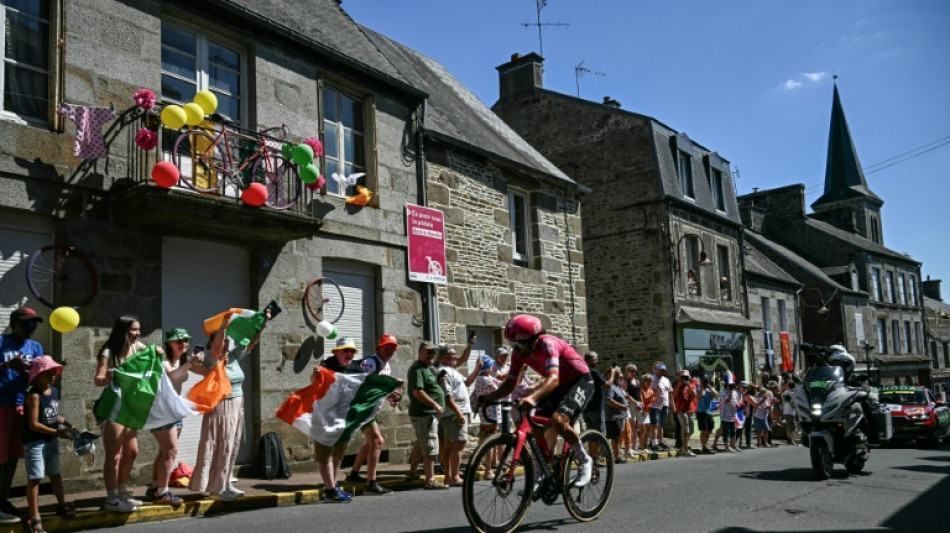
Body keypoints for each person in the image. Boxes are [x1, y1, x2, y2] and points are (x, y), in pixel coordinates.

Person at [477, 314, 595, 487]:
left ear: (532, 340)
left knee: (559, 419)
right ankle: (543, 469)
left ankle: (584, 460)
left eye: (518, 345)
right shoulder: (519, 354)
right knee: (536, 425)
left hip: (579, 381)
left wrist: (532, 397)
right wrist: (487, 398)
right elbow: (510, 383)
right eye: (512, 345)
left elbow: (552, 379)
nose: (515, 350)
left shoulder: (548, 344)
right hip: (556, 384)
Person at [189, 308, 270, 502]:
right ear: (214, 342)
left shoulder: (232, 357)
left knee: (231, 445)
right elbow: (217, 345)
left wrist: (264, 323)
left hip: (236, 404)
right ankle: (216, 487)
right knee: (220, 444)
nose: (225, 344)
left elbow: (252, 343)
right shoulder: (211, 357)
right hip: (221, 406)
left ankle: (225, 483)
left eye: (227, 342)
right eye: (222, 341)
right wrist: (224, 324)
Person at [94, 315, 147, 512]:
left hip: (129, 406)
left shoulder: (137, 347)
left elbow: (153, 352)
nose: (137, 333)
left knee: (132, 451)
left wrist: (158, 351)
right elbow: (98, 379)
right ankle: (112, 498)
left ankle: (123, 492)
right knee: (114, 454)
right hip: (111, 406)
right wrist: (107, 376)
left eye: (138, 329)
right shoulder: (108, 351)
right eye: (133, 330)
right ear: (122, 330)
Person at [146, 328, 202, 506]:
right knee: (170, 451)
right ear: (169, 343)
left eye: (186, 340)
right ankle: (163, 492)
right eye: (179, 340)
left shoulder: (181, 361)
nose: (184, 343)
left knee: (164, 451)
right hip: (162, 412)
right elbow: (172, 377)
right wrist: (191, 364)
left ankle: (155, 487)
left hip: (174, 411)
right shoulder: (163, 359)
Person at [1, 307, 45, 521]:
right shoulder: (1, 342)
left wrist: (48, 372)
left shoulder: (35, 347)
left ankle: (2, 500)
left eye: (34, 324)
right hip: (1, 406)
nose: (32, 328)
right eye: (28, 324)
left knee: (12, 457)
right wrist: (8, 364)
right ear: (15, 324)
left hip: (21, 406)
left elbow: (37, 378)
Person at [345, 334, 402, 495]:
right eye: (387, 347)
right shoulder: (371, 363)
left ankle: (354, 475)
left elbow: (379, 388)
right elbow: (364, 385)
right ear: (379, 347)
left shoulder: (386, 365)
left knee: (371, 443)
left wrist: (392, 395)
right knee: (378, 441)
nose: (390, 350)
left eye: (392, 348)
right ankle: (371, 484)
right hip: (361, 409)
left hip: (370, 410)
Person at [22, 356, 74, 533]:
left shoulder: (53, 391)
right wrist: (57, 432)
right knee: (35, 478)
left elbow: (53, 414)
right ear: (38, 375)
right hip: (35, 443)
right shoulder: (34, 396)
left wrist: (68, 424)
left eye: (54, 372)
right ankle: (34, 515)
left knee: (55, 474)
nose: (53, 376)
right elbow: (33, 424)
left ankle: (61, 503)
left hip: (50, 441)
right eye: (49, 373)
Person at [311, 337, 362, 503]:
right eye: (345, 350)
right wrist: (315, 377)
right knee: (324, 454)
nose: (349, 354)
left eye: (352, 351)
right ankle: (330, 490)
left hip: (344, 418)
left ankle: (332, 486)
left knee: (338, 453)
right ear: (336, 352)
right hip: (325, 418)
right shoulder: (325, 366)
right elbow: (315, 385)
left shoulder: (356, 368)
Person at [407, 341, 449, 490]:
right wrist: (435, 405)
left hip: (427, 414)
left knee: (421, 443)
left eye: (433, 352)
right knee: (430, 446)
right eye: (428, 352)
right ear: (420, 352)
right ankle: (430, 480)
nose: (431, 355)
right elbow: (418, 391)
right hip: (425, 414)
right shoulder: (418, 369)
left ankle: (412, 472)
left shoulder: (426, 368)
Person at [434, 345, 470, 487]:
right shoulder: (444, 372)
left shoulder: (452, 371)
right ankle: (454, 476)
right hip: (454, 413)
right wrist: (459, 413)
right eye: (451, 354)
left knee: (450, 444)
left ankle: (449, 476)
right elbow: (447, 396)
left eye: (455, 354)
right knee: (459, 443)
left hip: (456, 411)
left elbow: (467, 383)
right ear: (442, 358)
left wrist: (478, 369)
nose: (455, 356)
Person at [603, 367, 629, 464]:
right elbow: (608, 400)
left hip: (620, 416)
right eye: (620, 375)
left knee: (618, 437)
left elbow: (624, 396)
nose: (622, 376)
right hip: (613, 416)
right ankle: (617, 457)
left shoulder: (618, 386)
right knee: (615, 437)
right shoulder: (610, 386)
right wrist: (622, 406)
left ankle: (618, 455)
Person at [672, 370, 697, 457]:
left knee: (691, 430)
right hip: (681, 410)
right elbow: (673, 395)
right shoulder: (677, 386)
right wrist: (679, 386)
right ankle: (686, 449)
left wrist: (689, 386)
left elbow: (694, 396)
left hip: (690, 410)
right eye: (683, 377)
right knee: (685, 429)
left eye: (686, 378)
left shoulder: (691, 386)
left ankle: (683, 447)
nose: (684, 379)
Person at [581, 352, 606, 436]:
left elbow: (598, 381)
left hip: (586, 408)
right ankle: (601, 449)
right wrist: (613, 373)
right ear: (591, 360)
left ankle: (592, 450)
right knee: (599, 435)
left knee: (591, 435)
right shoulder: (594, 371)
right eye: (595, 359)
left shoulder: (584, 371)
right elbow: (608, 385)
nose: (597, 361)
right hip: (596, 408)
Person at [650, 362, 672, 451]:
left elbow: (670, 393)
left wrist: (672, 405)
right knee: (654, 424)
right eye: (660, 370)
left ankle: (660, 441)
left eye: (663, 370)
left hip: (664, 404)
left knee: (661, 424)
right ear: (656, 370)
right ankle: (653, 443)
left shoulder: (666, 380)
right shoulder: (652, 379)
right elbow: (647, 390)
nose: (662, 372)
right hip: (654, 405)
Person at [623, 364, 643, 457]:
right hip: (631, 405)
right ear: (628, 371)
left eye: (635, 371)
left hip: (638, 405)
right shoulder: (626, 381)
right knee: (632, 426)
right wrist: (635, 403)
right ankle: (630, 447)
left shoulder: (637, 381)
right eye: (632, 371)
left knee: (637, 427)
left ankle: (635, 447)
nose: (634, 373)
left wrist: (641, 402)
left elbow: (640, 393)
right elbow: (625, 394)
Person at [697, 376, 718, 454]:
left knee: (709, 430)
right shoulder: (698, 389)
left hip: (709, 412)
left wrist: (709, 387)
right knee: (704, 430)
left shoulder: (710, 390)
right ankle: (703, 446)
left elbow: (715, 395)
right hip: (701, 412)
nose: (704, 384)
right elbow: (698, 397)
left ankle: (705, 445)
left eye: (705, 382)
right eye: (703, 382)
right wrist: (702, 388)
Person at [719, 377, 740, 452]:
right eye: (730, 385)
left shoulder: (735, 392)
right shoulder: (723, 393)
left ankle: (733, 445)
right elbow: (727, 401)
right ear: (727, 385)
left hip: (733, 415)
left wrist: (738, 405)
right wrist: (730, 393)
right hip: (725, 415)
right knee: (726, 432)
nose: (732, 386)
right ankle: (727, 446)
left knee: (733, 431)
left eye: (733, 385)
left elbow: (737, 401)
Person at [639, 374, 656, 452]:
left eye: (651, 381)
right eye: (648, 381)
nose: (650, 383)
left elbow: (652, 401)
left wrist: (657, 396)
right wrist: (653, 396)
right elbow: (645, 400)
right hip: (641, 411)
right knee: (642, 430)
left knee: (648, 429)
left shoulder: (650, 390)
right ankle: (642, 447)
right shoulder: (641, 390)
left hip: (647, 411)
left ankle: (645, 447)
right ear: (644, 381)